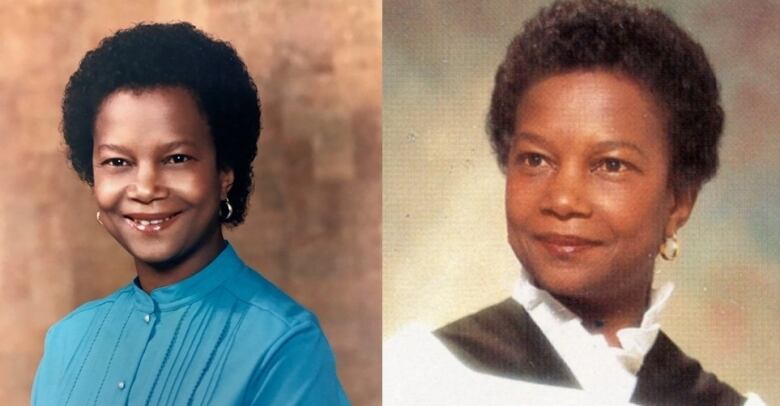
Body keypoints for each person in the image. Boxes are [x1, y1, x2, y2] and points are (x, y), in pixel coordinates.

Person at [385, 1, 763, 405]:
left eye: (610, 165)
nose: (563, 200)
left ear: (678, 202)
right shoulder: (420, 377)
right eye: (536, 159)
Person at [32, 22, 349, 405]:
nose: (146, 189)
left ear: (224, 174)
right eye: (118, 161)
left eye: (177, 158)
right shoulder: (68, 340)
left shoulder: (282, 343)